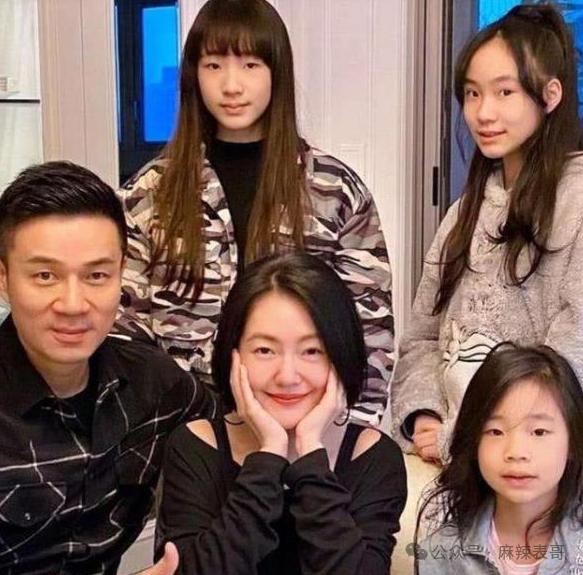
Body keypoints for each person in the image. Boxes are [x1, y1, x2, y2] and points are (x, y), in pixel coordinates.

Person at [114, 0, 393, 427]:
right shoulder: (149, 195)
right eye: (213, 65)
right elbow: (125, 334)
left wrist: (347, 439)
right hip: (183, 435)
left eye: (250, 65)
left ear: (276, 72)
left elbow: (370, 333)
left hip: (307, 432)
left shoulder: (335, 192)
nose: (231, 85)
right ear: (193, 75)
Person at [390, 3, 583, 464]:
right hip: (452, 464)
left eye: (504, 92)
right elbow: (422, 337)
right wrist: (425, 417)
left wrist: (466, 437)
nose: (483, 112)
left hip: (538, 467)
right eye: (472, 94)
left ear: (550, 95)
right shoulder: (465, 212)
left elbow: (570, 359)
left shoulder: (576, 201)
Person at [0, 161, 215, 575]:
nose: (73, 304)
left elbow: (229, 439)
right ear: (5, 278)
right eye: (45, 275)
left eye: (97, 275)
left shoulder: (155, 385)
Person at [155, 252, 407, 575]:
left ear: (341, 354)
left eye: (312, 351)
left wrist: (310, 453)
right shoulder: (195, 446)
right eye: (264, 350)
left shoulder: (373, 456)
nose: (287, 376)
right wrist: (270, 453)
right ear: (233, 356)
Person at [414, 344, 583, 574]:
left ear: (573, 440)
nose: (516, 452)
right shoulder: (441, 552)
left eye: (539, 432)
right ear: (474, 441)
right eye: (496, 431)